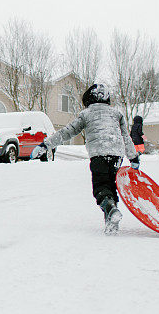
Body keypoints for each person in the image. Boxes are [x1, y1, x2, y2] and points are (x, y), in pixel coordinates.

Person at [30, 83, 141, 235]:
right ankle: (111, 223)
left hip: (98, 154)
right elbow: (126, 137)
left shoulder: (87, 114)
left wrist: (45, 145)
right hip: (116, 154)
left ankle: (110, 210)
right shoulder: (116, 114)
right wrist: (133, 157)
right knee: (111, 187)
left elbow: (66, 132)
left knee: (101, 188)